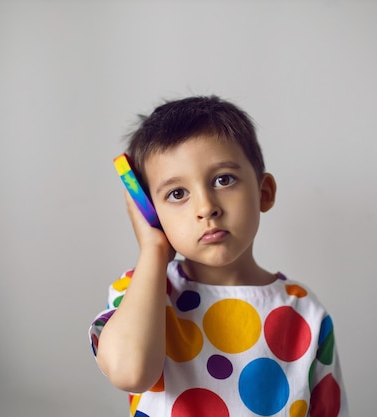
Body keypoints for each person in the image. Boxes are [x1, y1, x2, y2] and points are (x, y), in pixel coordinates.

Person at [90, 95, 348, 417]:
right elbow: (130, 373)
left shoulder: (305, 310)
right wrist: (154, 249)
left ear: (263, 193)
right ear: (151, 213)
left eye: (223, 180)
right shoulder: (140, 291)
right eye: (177, 193)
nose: (205, 207)